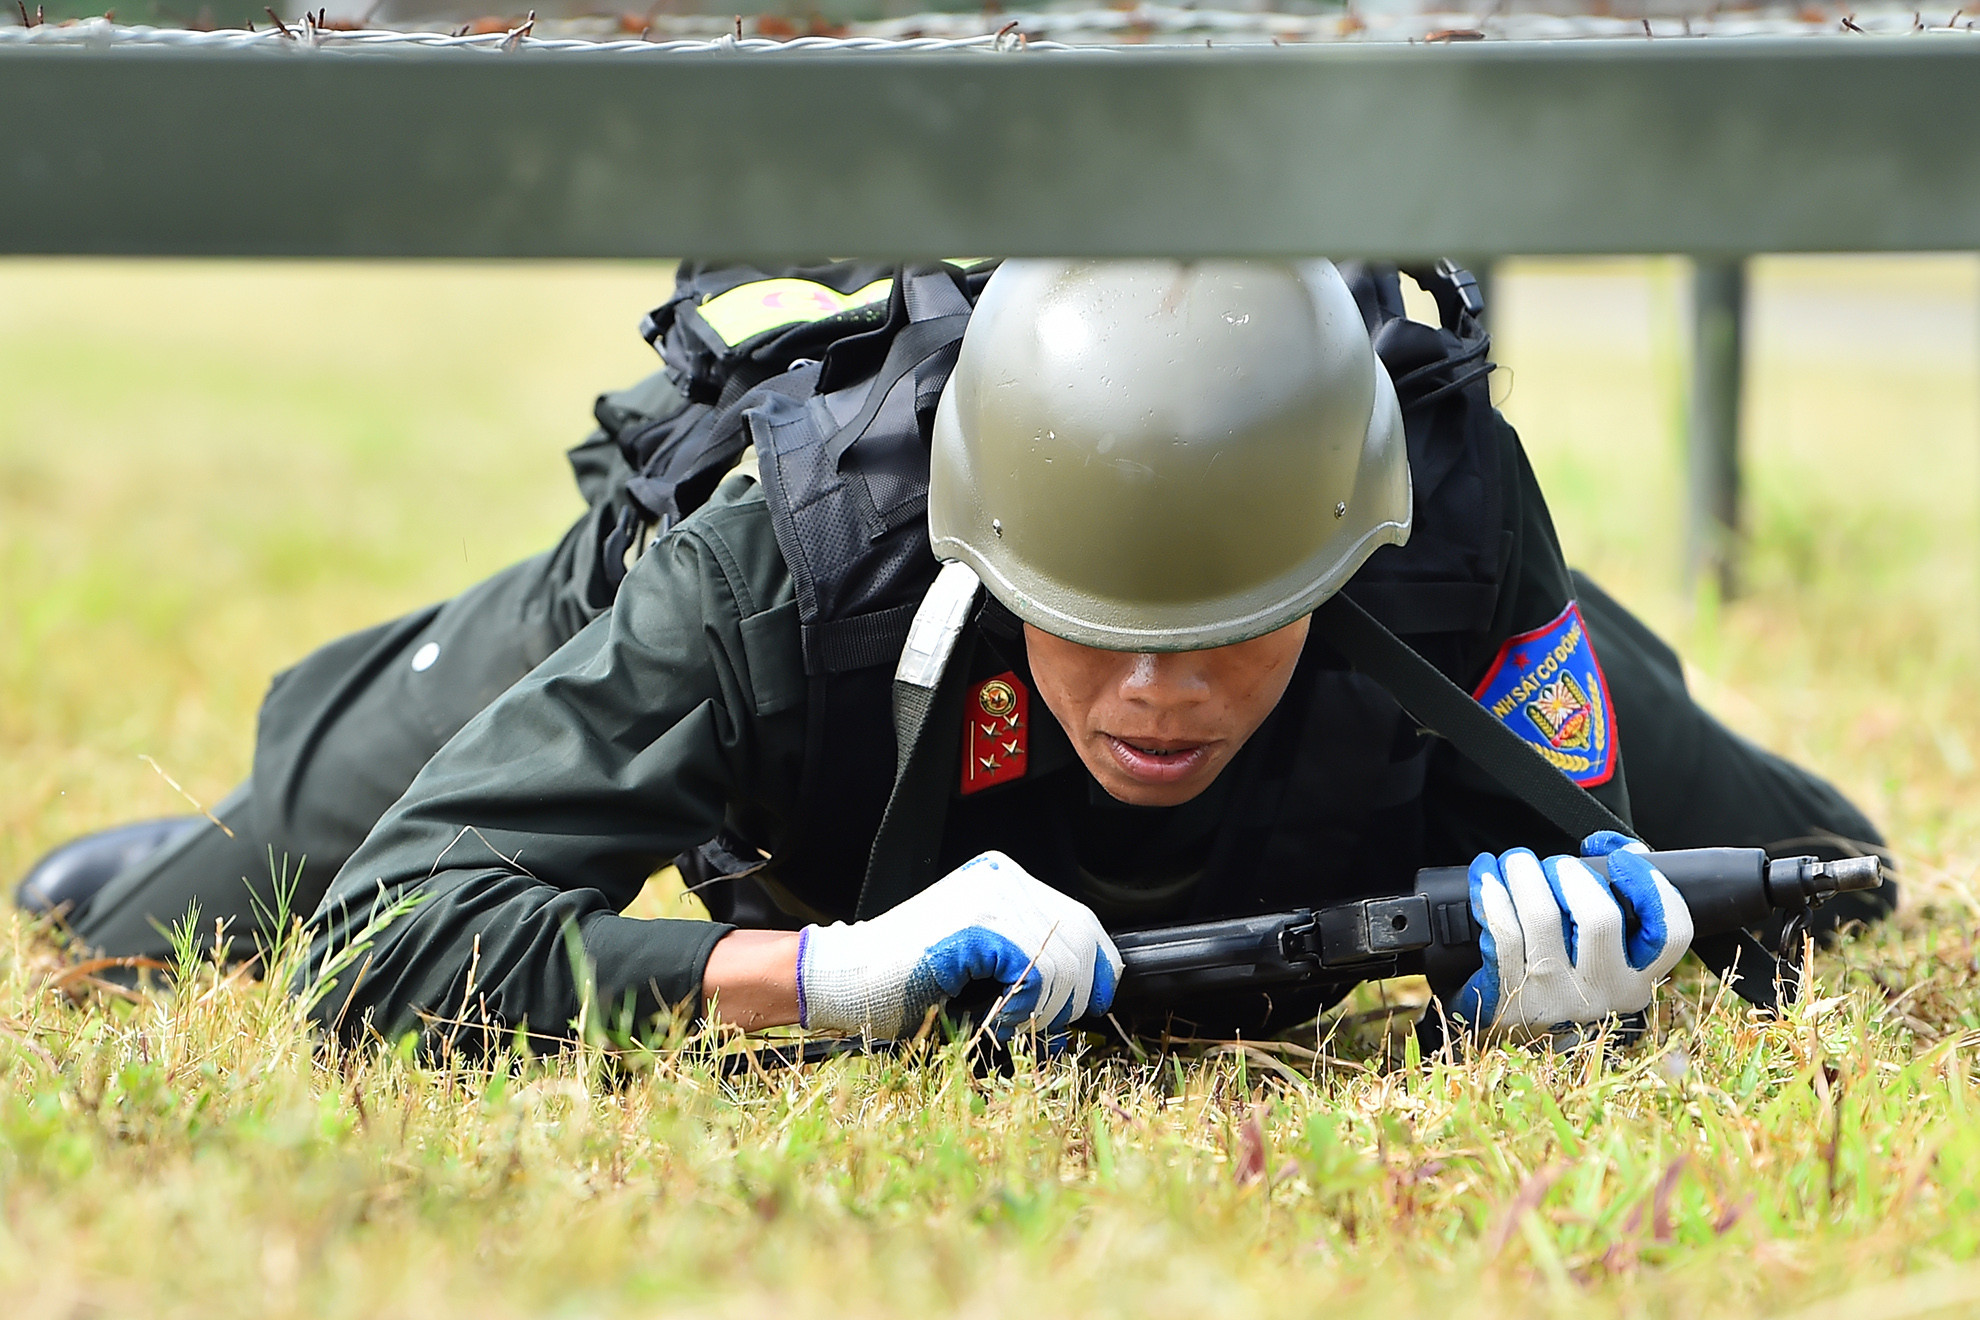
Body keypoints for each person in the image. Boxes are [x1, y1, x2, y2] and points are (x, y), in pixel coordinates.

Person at [16, 258, 1889, 1048]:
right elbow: (398, 939)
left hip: (1397, 620)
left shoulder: (1442, 524)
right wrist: (812, 972)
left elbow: (1599, 871)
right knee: (238, 880)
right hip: (702, 615)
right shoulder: (792, 565)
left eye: (1224, 629)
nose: (1159, 693)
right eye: (1101, 627)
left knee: (1832, 879)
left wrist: (1569, 968)